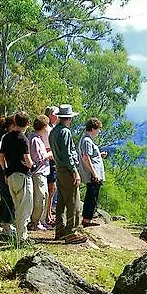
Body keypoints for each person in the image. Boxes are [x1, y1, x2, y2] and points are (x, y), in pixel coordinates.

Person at [48, 104, 85, 244]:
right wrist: (75, 172)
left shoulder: (54, 131)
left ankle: (60, 230)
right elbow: (68, 154)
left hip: (59, 168)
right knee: (74, 200)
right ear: (69, 118)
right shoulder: (65, 132)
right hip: (67, 169)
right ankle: (72, 232)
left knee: (62, 201)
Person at [0, 111, 34, 246]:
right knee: (24, 207)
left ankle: (20, 236)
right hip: (22, 176)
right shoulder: (23, 139)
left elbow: (0, 155)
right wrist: (33, 166)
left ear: (15, 122)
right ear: (27, 124)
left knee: (17, 205)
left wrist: (5, 170)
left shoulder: (6, 137)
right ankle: (21, 239)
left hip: (11, 176)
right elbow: (28, 160)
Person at [79, 117, 105, 228]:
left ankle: (88, 217)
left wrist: (99, 155)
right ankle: (87, 219)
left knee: (93, 195)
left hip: (93, 174)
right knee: (91, 196)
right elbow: (86, 157)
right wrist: (94, 173)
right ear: (93, 129)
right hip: (92, 175)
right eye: (98, 130)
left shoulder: (87, 140)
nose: (98, 132)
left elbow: (90, 156)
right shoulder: (86, 141)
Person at [27, 115, 52, 231]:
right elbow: (38, 158)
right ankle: (35, 222)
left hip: (42, 173)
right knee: (40, 198)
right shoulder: (35, 139)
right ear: (44, 126)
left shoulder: (37, 138)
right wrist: (49, 154)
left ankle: (39, 221)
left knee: (44, 196)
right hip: (38, 173)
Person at [0, 116, 14, 234]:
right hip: (4, 171)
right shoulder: (5, 136)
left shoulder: (3, 135)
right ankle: (7, 225)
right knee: (8, 197)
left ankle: (5, 222)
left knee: (5, 197)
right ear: (11, 126)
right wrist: (5, 169)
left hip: (2, 171)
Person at [41, 106, 59, 226]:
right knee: (50, 189)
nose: (58, 117)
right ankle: (46, 215)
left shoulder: (50, 128)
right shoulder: (48, 129)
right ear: (51, 115)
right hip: (49, 161)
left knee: (52, 189)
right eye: (56, 114)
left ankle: (48, 214)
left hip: (51, 161)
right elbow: (48, 147)